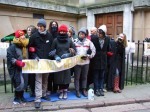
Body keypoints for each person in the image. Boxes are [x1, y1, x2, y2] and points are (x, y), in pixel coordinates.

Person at [29, 18, 53, 108]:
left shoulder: (49, 36)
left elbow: (51, 47)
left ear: (44, 27)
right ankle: (38, 98)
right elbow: (30, 48)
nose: (39, 28)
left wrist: (52, 53)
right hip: (38, 62)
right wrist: (34, 56)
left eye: (41, 26)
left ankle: (44, 94)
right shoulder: (34, 36)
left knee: (45, 79)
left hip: (47, 61)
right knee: (38, 79)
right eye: (38, 26)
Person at [51, 24, 76, 100]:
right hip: (58, 61)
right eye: (60, 31)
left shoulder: (69, 40)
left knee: (66, 76)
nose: (62, 32)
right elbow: (52, 51)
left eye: (63, 31)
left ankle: (65, 91)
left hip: (67, 61)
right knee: (59, 77)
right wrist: (56, 56)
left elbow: (74, 51)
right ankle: (61, 91)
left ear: (66, 32)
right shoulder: (55, 40)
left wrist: (68, 54)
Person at [7, 30, 29, 104]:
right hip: (16, 68)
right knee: (19, 82)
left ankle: (22, 96)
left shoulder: (25, 45)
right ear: (17, 37)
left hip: (25, 67)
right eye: (21, 35)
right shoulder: (12, 47)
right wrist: (16, 62)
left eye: (23, 35)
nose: (23, 36)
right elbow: (10, 57)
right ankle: (17, 98)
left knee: (24, 82)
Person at [74, 27, 96, 98]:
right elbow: (72, 51)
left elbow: (94, 50)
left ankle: (83, 90)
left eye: (83, 34)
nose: (81, 35)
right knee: (77, 78)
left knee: (84, 77)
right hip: (77, 63)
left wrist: (89, 56)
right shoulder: (74, 41)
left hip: (86, 63)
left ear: (85, 35)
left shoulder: (88, 42)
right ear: (78, 34)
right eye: (80, 33)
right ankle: (77, 90)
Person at [90, 25, 110, 96]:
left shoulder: (107, 39)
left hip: (103, 60)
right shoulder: (94, 38)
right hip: (96, 60)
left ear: (104, 33)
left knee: (102, 76)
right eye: (98, 32)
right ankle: (96, 89)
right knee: (96, 76)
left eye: (101, 33)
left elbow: (108, 48)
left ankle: (101, 88)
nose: (99, 34)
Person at [47, 20, 59, 95]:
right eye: (53, 24)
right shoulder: (48, 34)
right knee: (49, 75)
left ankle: (55, 88)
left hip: (57, 56)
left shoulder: (58, 34)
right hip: (49, 56)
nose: (54, 26)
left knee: (56, 74)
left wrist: (56, 51)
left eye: (55, 25)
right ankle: (49, 89)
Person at [26, 25, 37, 97]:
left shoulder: (35, 38)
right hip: (27, 59)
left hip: (34, 59)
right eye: (28, 29)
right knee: (30, 77)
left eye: (30, 30)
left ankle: (34, 90)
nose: (28, 31)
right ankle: (31, 90)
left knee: (34, 76)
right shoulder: (25, 38)